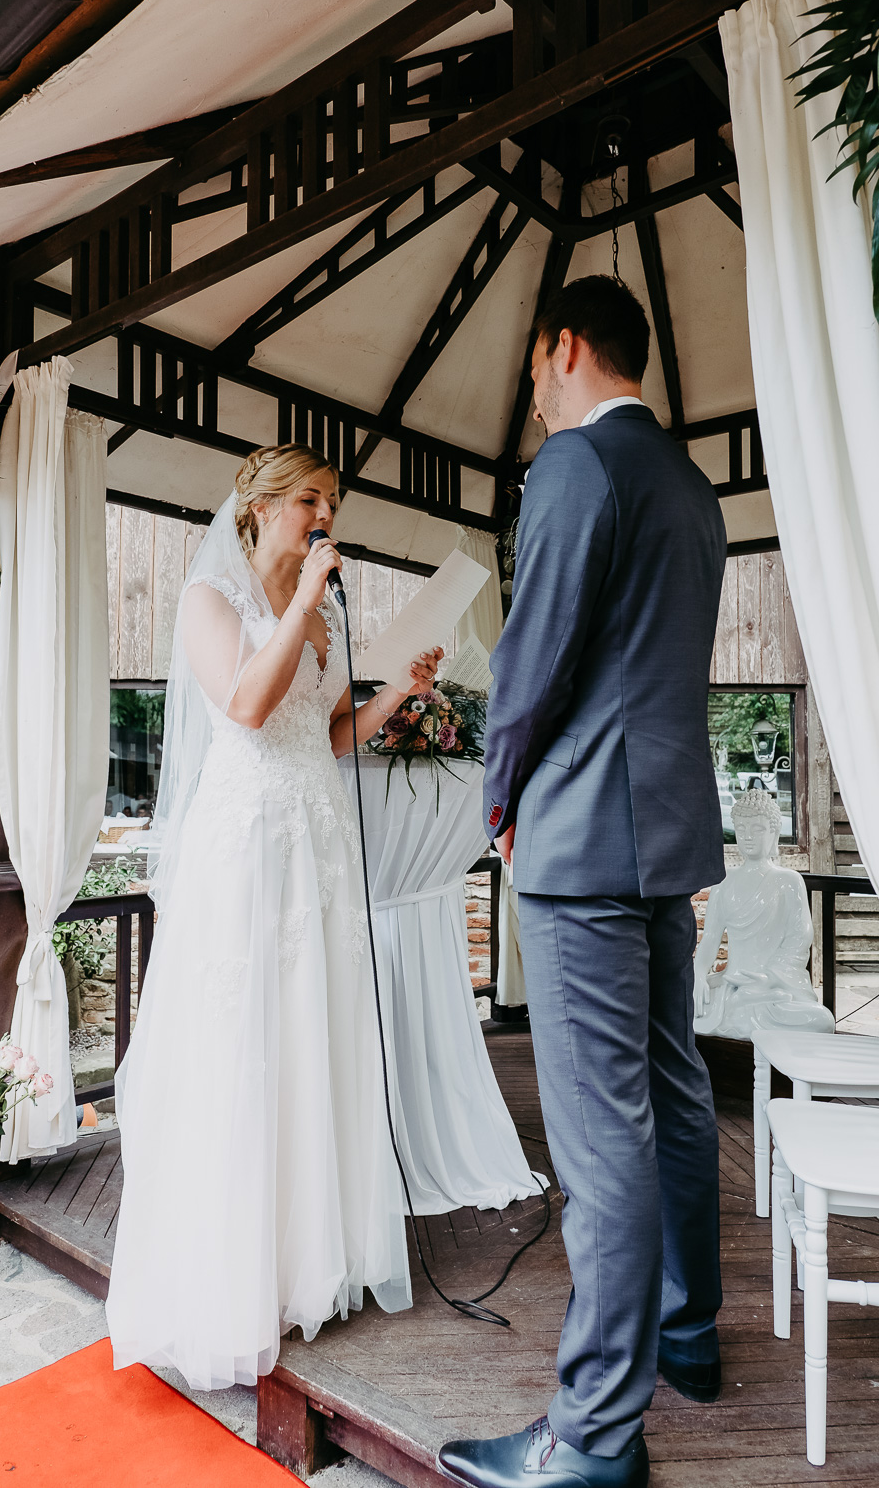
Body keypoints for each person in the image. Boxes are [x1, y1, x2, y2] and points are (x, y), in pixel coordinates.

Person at [438, 277, 727, 1488]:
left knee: (601, 1135)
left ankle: (596, 1433)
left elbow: (531, 662)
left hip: (579, 838)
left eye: (534, 376)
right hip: (666, 832)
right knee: (672, 1092)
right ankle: (688, 1333)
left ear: (564, 348)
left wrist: (499, 800)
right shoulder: (694, 490)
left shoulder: (572, 466)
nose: (534, 401)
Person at [106, 444, 442, 1390]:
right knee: (244, 1041)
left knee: (309, 1036)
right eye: (309, 499)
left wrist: (397, 694)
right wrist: (302, 607)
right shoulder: (210, 600)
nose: (325, 515)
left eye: (332, 501)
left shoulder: (320, 613)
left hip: (316, 843)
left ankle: (303, 1264)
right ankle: (228, 1279)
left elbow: (323, 736)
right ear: (258, 508)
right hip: (248, 845)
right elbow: (249, 708)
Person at [694, 788, 833, 1039]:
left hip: (773, 988)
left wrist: (769, 978)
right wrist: (698, 975)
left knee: (821, 1020)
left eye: (757, 829)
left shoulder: (788, 880)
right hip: (733, 986)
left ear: (774, 832)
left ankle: (742, 1013)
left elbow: (798, 941)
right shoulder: (724, 882)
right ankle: (736, 1010)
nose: (748, 836)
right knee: (682, 1005)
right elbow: (710, 939)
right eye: (741, 828)